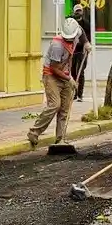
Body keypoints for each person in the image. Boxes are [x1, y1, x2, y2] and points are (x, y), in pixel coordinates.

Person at [28, 17, 82, 147]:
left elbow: (82, 36)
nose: (70, 40)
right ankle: (34, 132)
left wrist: (86, 44)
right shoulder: (57, 45)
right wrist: (70, 79)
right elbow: (54, 68)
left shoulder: (76, 34)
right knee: (55, 105)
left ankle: (60, 139)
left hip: (65, 75)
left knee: (65, 108)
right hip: (51, 76)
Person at [69, 4, 93, 101]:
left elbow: (89, 37)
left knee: (80, 72)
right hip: (72, 51)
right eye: (76, 11)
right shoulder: (71, 23)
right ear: (74, 12)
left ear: (82, 12)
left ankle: (80, 95)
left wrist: (86, 46)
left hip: (82, 51)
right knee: (73, 72)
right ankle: (74, 94)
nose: (78, 13)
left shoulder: (87, 24)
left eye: (79, 11)